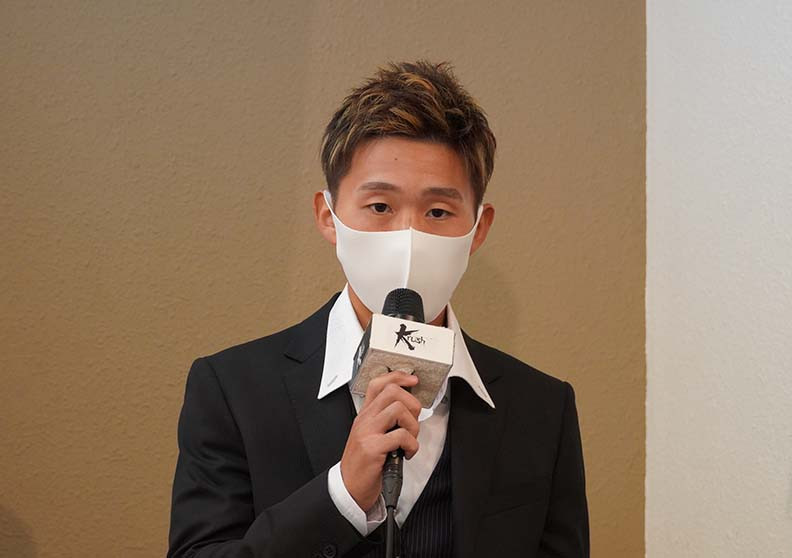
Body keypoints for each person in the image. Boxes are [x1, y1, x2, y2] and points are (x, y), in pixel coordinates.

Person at [167, 60, 589, 558]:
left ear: (478, 228)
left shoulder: (541, 409)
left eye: (438, 211)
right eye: (380, 207)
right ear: (329, 216)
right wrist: (341, 494)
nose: (408, 236)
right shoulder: (233, 389)